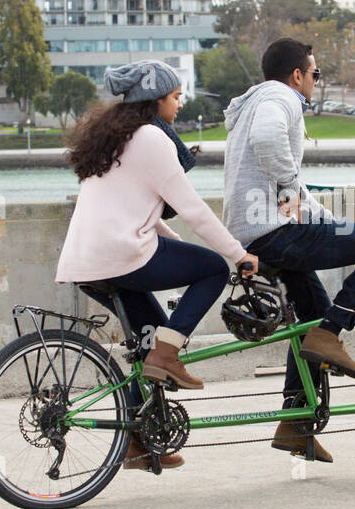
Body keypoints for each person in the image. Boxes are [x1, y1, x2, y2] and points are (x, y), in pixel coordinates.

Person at [57, 59, 259, 471]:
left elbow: (132, 210)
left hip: (86, 263)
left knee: (146, 341)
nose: (180, 104)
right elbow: (193, 208)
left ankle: (138, 442)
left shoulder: (114, 138)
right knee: (212, 269)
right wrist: (238, 255)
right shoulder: (151, 138)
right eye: (176, 96)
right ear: (157, 99)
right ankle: (169, 356)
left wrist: (175, 244)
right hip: (122, 257)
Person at [222, 38, 355, 463]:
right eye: (315, 74)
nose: (316, 83)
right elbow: (272, 147)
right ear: (297, 75)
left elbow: (296, 192)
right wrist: (287, 187)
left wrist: (319, 213)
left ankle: (295, 425)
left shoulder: (256, 101)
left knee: (314, 314)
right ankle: (331, 334)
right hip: (276, 233)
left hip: (257, 233)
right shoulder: (279, 96)